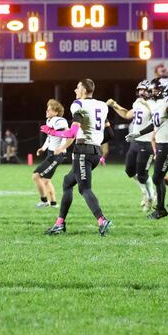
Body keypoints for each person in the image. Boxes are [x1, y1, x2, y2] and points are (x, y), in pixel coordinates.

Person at [41, 79, 113, 236]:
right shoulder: (101, 105)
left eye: (78, 88)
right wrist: (95, 143)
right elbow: (110, 134)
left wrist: (52, 132)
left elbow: (72, 133)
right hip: (94, 152)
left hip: (83, 152)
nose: (75, 90)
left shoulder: (78, 105)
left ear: (85, 91)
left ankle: (102, 220)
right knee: (67, 182)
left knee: (84, 188)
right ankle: (60, 223)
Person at [126, 77, 168, 220]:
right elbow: (155, 125)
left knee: (157, 178)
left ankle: (163, 208)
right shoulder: (158, 104)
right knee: (160, 177)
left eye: (155, 89)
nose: (152, 91)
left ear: (164, 89)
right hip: (164, 145)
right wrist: (138, 133)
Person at [107, 80, 156, 212]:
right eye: (140, 90)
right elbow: (127, 114)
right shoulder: (137, 102)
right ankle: (145, 193)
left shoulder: (155, 103)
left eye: (144, 90)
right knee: (130, 171)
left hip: (146, 143)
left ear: (150, 91)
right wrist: (115, 105)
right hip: (135, 142)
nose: (141, 92)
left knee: (142, 174)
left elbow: (157, 118)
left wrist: (146, 104)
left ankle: (151, 197)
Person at [33, 99, 69, 208]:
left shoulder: (59, 120)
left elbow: (67, 134)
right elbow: (50, 138)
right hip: (51, 153)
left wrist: (61, 148)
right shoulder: (50, 121)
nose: (47, 111)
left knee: (36, 176)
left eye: (50, 109)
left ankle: (44, 201)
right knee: (47, 180)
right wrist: (43, 148)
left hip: (57, 155)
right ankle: (53, 203)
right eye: (47, 109)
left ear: (56, 112)